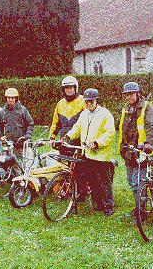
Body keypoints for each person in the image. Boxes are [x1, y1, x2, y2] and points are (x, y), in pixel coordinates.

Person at [63, 88, 116, 216]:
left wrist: (97, 143)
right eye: (86, 102)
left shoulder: (105, 114)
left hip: (101, 155)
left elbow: (110, 133)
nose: (88, 104)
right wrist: (68, 136)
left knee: (104, 181)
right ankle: (98, 203)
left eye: (91, 102)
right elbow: (77, 128)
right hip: (87, 153)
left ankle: (109, 205)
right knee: (92, 180)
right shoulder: (84, 114)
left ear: (96, 100)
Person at [118, 82, 153, 220]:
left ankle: (140, 211)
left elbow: (152, 127)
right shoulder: (126, 109)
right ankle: (140, 206)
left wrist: (148, 143)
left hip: (142, 151)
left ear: (137, 93)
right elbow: (123, 129)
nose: (128, 97)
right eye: (126, 94)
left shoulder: (147, 107)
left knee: (138, 182)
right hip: (129, 152)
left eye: (131, 94)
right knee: (131, 181)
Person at [0, 88, 34, 157]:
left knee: (21, 164)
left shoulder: (23, 110)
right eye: (8, 98)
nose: (10, 100)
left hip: (21, 143)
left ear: (16, 98)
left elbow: (30, 123)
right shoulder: (3, 111)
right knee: (6, 163)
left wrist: (27, 136)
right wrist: (0, 136)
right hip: (8, 143)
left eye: (12, 98)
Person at [48, 76, 85, 145]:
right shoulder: (60, 104)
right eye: (66, 87)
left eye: (71, 87)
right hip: (64, 139)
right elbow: (56, 123)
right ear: (63, 89)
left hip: (80, 139)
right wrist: (52, 138)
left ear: (75, 88)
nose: (69, 90)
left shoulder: (83, 101)